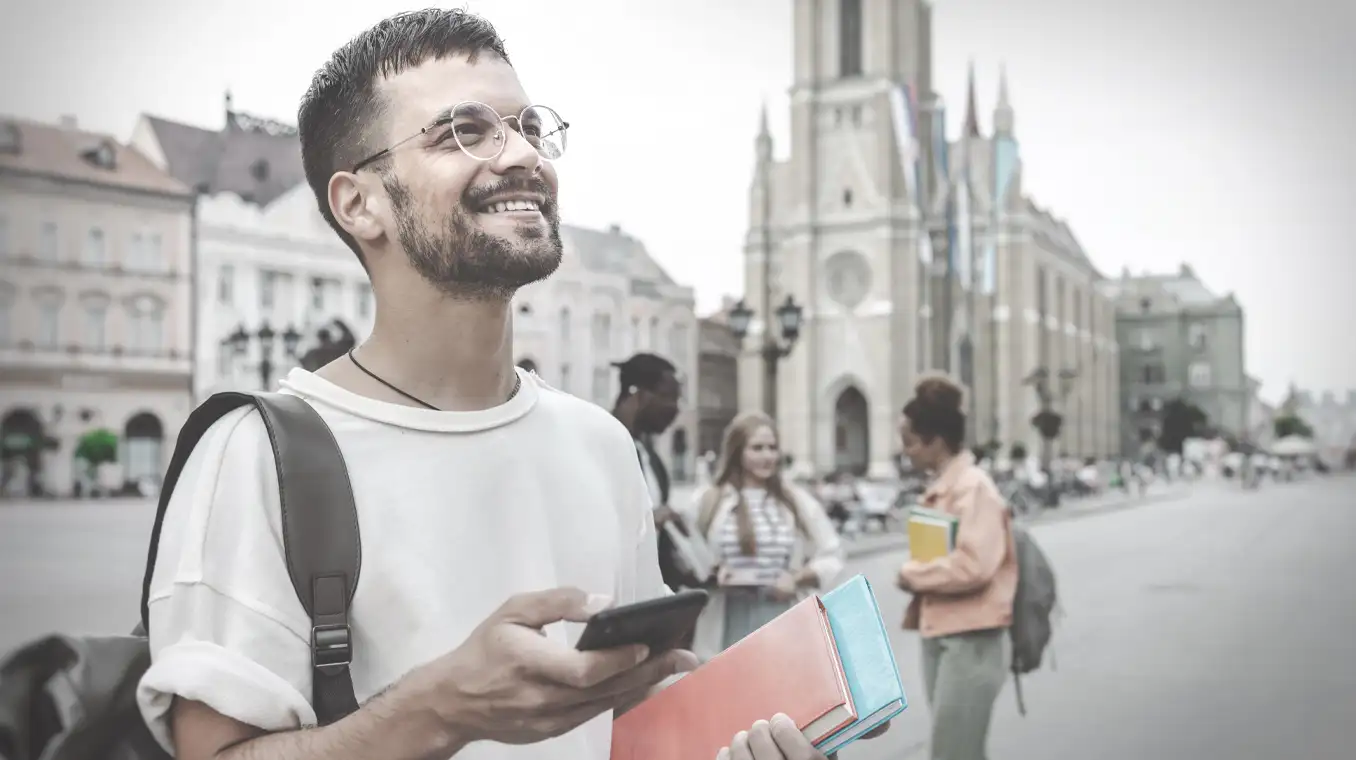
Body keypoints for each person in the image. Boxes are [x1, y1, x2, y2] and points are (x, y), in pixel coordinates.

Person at [137, 10, 836, 759]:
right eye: (461, 131)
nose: (521, 156)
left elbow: (631, 714)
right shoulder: (253, 456)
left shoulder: (599, 444)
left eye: (528, 126)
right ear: (357, 203)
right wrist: (442, 710)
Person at [894, 375, 1018, 760]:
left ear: (936, 441)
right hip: (948, 634)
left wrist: (912, 575)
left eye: (911, 443)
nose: (907, 453)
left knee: (954, 753)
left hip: (972, 639)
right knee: (956, 750)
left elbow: (973, 565)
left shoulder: (972, 486)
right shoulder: (948, 485)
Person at [687, 412, 844, 659]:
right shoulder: (709, 499)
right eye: (757, 448)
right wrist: (713, 575)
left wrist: (797, 579)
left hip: (783, 616)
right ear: (738, 451)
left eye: (772, 448)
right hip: (727, 618)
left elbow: (832, 552)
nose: (767, 456)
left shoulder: (795, 500)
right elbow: (687, 557)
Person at [610, 352, 705, 592]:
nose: (675, 408)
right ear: (637, 394)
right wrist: (651, 519)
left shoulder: (653, 460)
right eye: (668, 397)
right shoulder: (603, 447)